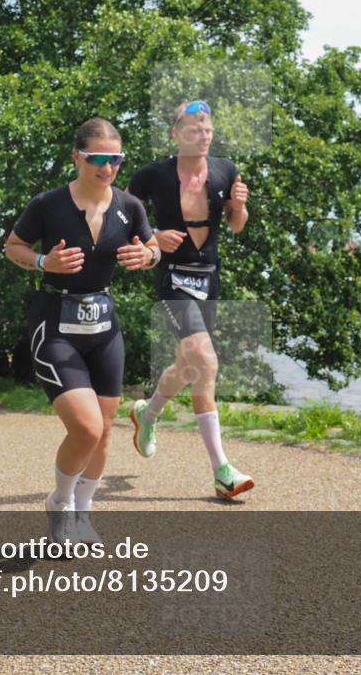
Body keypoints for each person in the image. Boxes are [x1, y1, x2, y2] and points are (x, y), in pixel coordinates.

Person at [4, 117, 159, 544]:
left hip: (104, 325)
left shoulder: (130, 206)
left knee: (105, 429)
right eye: (97, 159)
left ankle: (84, 513)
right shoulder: (47, 205)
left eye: (116, 159)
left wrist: (147, 257)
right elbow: (13, 247)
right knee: (87, 428)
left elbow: (153, 246)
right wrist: (43, 262)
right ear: (76, 156)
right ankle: (60, 503)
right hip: (55, 324)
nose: (108, 168)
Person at [127, 100, 254, 499]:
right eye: (194, 130)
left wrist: (240, 206)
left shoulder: (225, 169)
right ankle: (222, 470)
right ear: (176, 133)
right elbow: (120, 216)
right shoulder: (153, 175)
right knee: (206, 361)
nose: (203, 136)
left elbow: (236, 226)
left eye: (208, 130)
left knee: (188, 365)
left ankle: (147, 413)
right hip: (173, 278)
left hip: (209, 278)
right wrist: (152, 237)